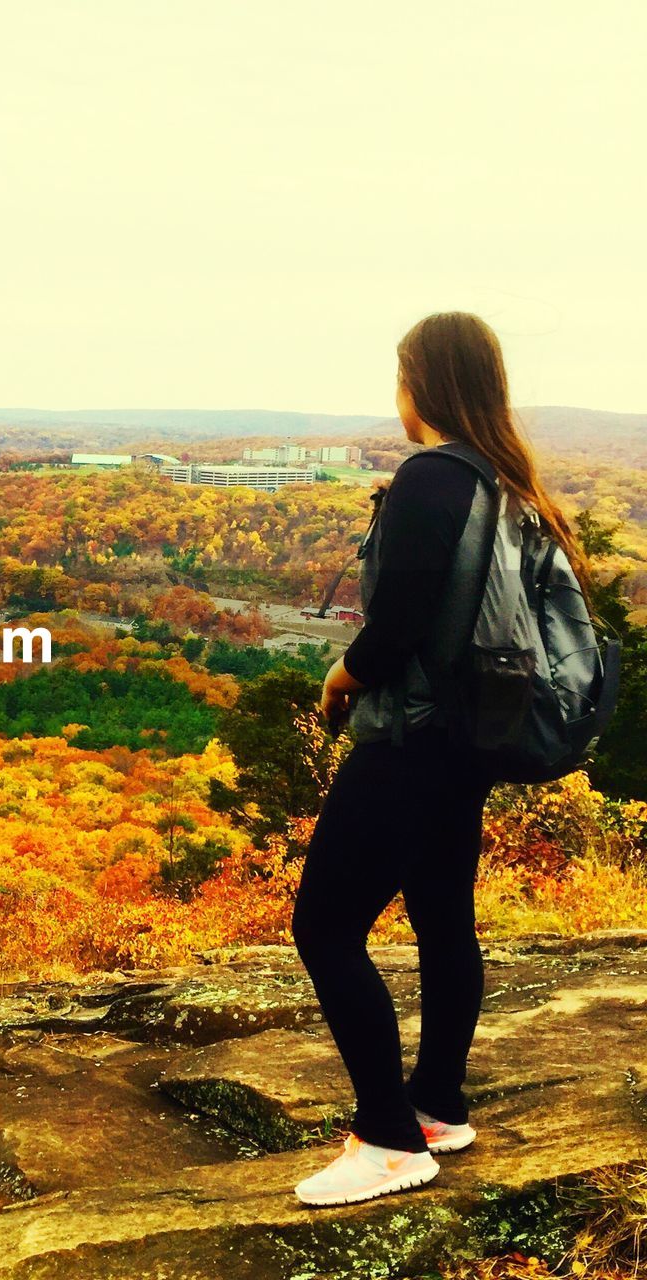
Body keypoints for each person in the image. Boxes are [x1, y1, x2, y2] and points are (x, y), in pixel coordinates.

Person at [290, 312, 593, 1207]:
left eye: (401, 375)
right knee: (441, 917)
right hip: (470, 742)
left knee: (326, 927)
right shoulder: (507, 482)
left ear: (420, 381)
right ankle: (437, 1106)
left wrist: (343, 674)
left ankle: (388, 1140)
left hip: (409, 739)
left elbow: (402, 623)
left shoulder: (431, 476)